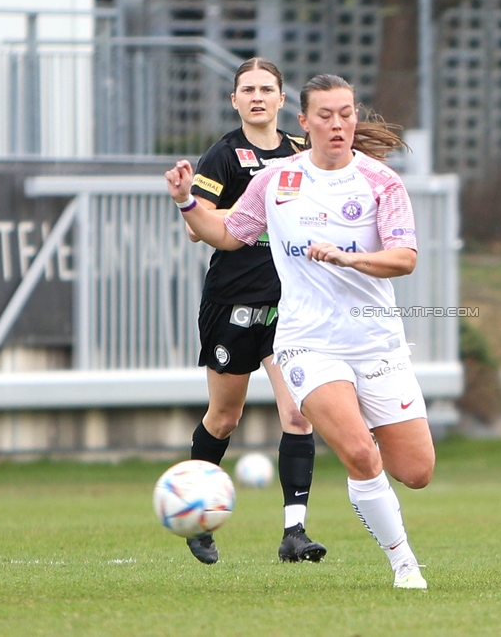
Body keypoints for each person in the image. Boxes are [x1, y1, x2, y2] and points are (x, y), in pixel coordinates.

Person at [165, 73, 434, 590]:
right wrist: (186, 202)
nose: (338, 125)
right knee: (358, 452)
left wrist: (349, 259)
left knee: (417, 470)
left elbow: (405, 258)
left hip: (376, 341)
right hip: (307, 341)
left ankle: (368, 486)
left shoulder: (381, 181)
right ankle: (404, 563)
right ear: (304, 121)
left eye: (347, 114)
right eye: (326, 115)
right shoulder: (276, 181)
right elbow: (225, 234)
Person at [179, 57, 325, 566]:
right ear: (235, 100)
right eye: (248, 89)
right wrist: (221, 213)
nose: (258, 96)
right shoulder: (222, 156)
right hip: (233, 301)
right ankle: (197, 517)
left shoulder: (303, 152)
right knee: (225, 417)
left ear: (284, 100)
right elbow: (196, 226)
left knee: (298, 414)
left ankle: (295, 533)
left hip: (291, 304)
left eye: (267, 88)